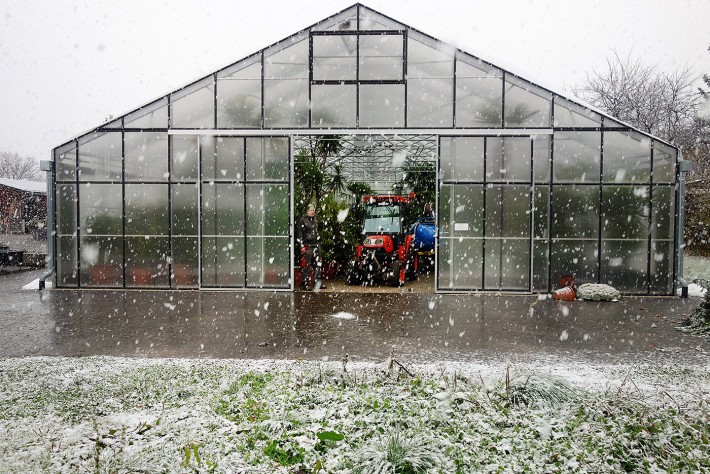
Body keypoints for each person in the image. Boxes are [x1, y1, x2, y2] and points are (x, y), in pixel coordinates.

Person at [295, 204, 326, 290]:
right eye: (310, 210)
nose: (312, 212)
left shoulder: (315, 221)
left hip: (316, 245)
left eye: (313, 210)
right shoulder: (302, 220)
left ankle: (317, 283)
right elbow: (299, 234)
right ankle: (305, 284)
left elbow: (317, 232)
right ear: (307, 211)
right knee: (306, 265)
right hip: (307, 245)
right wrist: (301, 246)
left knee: (318, 264)